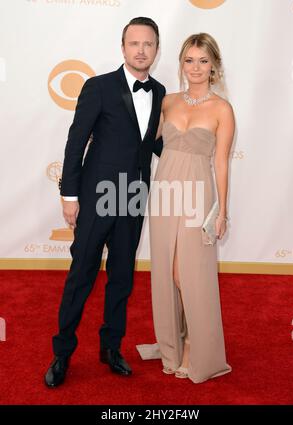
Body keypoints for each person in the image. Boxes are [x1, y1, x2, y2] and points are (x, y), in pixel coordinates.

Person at [44, 17, 166, 387]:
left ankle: (111, 347)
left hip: (133, 198)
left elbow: (157, 144)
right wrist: (69, 195)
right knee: (81, 275)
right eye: (134, 43)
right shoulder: (98, 87)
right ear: (123, 47)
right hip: (96, 197)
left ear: (156, 50)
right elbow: (75, 141)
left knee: (122, 278)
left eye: (148, 44)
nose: (141, 50)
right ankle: (62, 353)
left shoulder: (161, 93)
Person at [146, 33, 234, 383]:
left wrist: (223, 212)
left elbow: (222, 163)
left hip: (198, 195)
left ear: (213, 65)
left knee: (190, 275)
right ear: (181, 63)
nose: (195, 68)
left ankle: (196, 348)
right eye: (189, 60)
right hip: (165, 193)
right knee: (168, 272)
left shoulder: (222, 109)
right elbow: (142, 141)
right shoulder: (167, 102)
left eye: (202, 61)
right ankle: (174, 342)